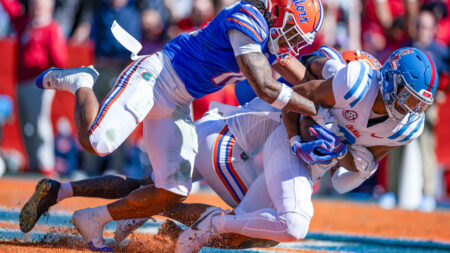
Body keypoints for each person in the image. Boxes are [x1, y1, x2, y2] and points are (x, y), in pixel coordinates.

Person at [20, 0, 324, 251]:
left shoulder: (268, 35)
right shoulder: (249, 19)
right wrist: (314, 107)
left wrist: (343, 97)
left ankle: (93, 218)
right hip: (156, 77)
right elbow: (264, 86)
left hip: (179, 101)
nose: (294, 43)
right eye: (293, 33)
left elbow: (307, 77)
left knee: (170, 190)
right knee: (98, 143)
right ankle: (81, 82)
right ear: (278, 13)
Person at [175, 47, 438, 252]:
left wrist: (339, 152)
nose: (410, 108)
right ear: (390, 81)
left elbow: (354, 171)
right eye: (407, 96)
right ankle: (207, 222)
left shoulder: (407, 128)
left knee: (249, 229)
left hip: (309, 163)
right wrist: (296, 140)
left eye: (418, 103)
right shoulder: (354, 83)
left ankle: (176, 236)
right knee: (291, 224)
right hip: (280, 141)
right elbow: (293, 98)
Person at [0, 0, 67, 177]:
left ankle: (46, 164)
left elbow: (60, 59)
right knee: (26, 126)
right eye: (34, 3)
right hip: (21, 82)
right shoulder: (25, 24)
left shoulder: (51, 28)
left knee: (39, 123)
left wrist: (53, 79)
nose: (36, 7)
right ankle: (33, 163)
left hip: (40, 84)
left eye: (40, 4)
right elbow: (11, 7)